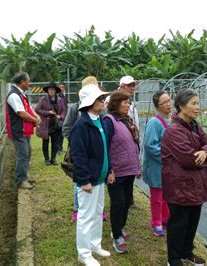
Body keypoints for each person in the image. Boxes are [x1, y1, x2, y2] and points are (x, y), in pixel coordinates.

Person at [161, 89, 207, 266]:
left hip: (196, 184)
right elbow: (188, 160)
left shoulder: (194, 125)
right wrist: (204, 156)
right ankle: (174, 258)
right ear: (181, 106)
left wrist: (204, 152)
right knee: (178, 223)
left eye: (198, 103)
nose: (197, 107)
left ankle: (186, 252)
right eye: (193, 103)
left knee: (192, 221)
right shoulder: (174, 131)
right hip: (179, 186)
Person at [70, 84, 114, 266]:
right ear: (89, 103)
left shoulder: (100, 121)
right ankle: (84, 253)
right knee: (86, 216)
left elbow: (105, 150)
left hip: (100, 178)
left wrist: (109, 170)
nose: (103, 101)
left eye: (103, 98)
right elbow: (78, 156)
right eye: (99, 99)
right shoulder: (81, 125)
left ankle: (95, 245)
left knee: (97, 212)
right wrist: (84, 180)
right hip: (89, 181)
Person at [63, 76, 107, 222]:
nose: (101, 100)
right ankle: (77, 208)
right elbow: (67, 127)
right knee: (80, 182)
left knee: (96, 191)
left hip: (95, 156)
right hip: (79, 149)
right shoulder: (76, 111)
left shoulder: (99, 114)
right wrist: (77, 141)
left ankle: (97, 212)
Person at [102, 91, 141, 254]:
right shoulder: (109, 121)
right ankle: (116, 235)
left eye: (128, 102)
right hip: (116, 171)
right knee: (118, 203)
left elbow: (133, 144)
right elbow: (104, 146)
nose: (127, 104)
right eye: (124, 102)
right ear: (115, 104)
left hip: (129, 170)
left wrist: (137, 165)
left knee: (126, 202)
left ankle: (119, 227)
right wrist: (109, 169)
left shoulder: (127, 120)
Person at [142, 91, 172, 237]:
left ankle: (165, 219)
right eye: (164, 102)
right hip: (156, 166)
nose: (168, 104)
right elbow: (150, 145)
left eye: (169, 100)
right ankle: (156, 223)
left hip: (168, 166)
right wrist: (167, 156)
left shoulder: (171, 120)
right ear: (157, 106)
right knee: (157, 196)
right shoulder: (155, 122)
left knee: (166, 194)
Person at [5, 71, 40, 189]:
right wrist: (34, 120)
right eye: (28, 81)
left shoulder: (21, 94)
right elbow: (21, 113)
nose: (29, 83)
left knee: (27, 152)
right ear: (22, 82)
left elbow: (29, 107)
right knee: (23, 154)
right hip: (18, 130)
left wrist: (36, 116)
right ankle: (20, 180)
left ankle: (24, 175)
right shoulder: (14, 95)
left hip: (25, 129)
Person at [35, 82, 66, 166]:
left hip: (55, 124)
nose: (51, 91)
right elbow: (37, 110)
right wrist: (47, 112)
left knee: (55, 142)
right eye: (49, 89)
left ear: (55, 90)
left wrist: (61, 116)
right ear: (47, 91)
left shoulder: (59, 100)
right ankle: (47, 159)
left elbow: (63, 110)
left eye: (52, 89)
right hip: (46, 124)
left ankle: (53, 158)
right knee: (45, 142)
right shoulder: (43, 99)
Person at [57, 82, 68, 154]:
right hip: (58, 118)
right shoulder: (56, 97)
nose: (61, 88)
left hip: (64, 118)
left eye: (63, 87)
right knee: (57, 134)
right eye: (60, 87)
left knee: (62, 134)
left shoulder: (64, 97)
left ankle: (60, 147)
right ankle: (58, 149)